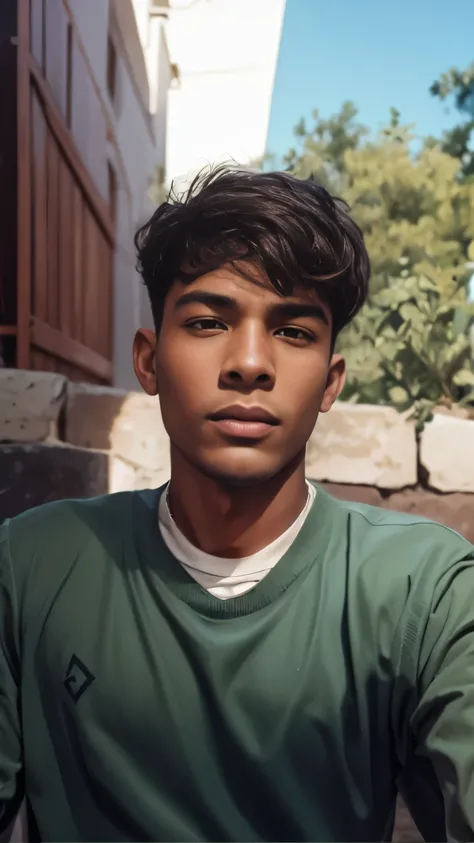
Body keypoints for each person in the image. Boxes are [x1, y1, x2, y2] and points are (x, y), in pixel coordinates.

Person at [1, 166, 473, 843]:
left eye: (294, 331)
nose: (249, 361)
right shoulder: (31, 565)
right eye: (207, 320)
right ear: (149, 360)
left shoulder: (426, 589)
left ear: (331, 381)